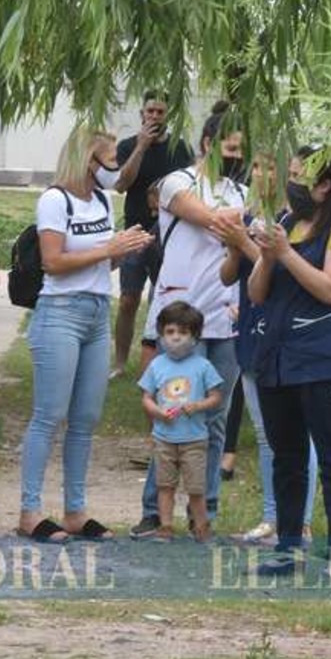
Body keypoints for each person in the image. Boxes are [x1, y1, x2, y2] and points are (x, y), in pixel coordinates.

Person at [17, 126, 151, 543]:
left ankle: (75, 510)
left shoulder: (102, 200)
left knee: (86, 418)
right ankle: (30, 511)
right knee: (48, 414)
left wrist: (124, 250)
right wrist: (109, 250)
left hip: (96, 311)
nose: (115, 171)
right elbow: (54, 262)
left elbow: (97, 263)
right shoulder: (54, 200)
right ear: (86, 160)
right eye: (109, 161)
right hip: (60, 312)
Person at [127, 107, 247, 540]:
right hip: (181, 321)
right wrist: (255, 213)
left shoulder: (240, 191)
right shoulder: (179, 182)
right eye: (229, 149)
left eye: (241, 151)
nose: (236, 157)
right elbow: (209, 218)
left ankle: (205, 514)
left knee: (215, 420)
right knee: (171, 419)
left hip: (226, 318)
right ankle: (153, 514)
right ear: (208, 145)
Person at [247, 147, 331, 578]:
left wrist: (286, 254)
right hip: (276, 359)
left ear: (325, 184)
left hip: (321, 361)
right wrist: (265, 255)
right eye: (290, 175)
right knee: (287, 457)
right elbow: (257, 294)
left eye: (299, 177)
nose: (290, 184)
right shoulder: (286, 222)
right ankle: (287, 548)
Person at [212, 153, 318, 546]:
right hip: (250, 330)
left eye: (274, 167)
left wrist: (248, 243)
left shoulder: (296, 220)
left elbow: (287, 270)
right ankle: (273, 518)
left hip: (285, 332)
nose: (264, 174)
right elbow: (227, 276)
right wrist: (236, 246)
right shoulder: (247, 215)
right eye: (257, 166)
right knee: (264, 432)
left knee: (297, 433)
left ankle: (301, 521)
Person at [110, 92, 194, 377]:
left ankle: (164, 357)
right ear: (142, 114)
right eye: (151, 111)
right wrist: (142, 147)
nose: (155, 116)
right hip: (134, 231)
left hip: (168, 236)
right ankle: (120, 362)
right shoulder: (127, 146)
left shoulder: (179, 148)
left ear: (167, 115)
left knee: (167, 300)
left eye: (160, 112)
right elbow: (121, 184)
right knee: (128, 299)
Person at [137, 301, 225, 542]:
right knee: (165, 486)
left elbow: (217, 396)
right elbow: (146, 397)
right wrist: (157, 412)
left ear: (195, 337)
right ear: (162, 334)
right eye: (170, 332)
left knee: (196, 488)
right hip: (164, 438)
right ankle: (165, 527)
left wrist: (198, 406)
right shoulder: (157, 365)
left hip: (195, 439)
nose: (176, 338)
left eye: (183, 332)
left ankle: (201, 527)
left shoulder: (203, 366)